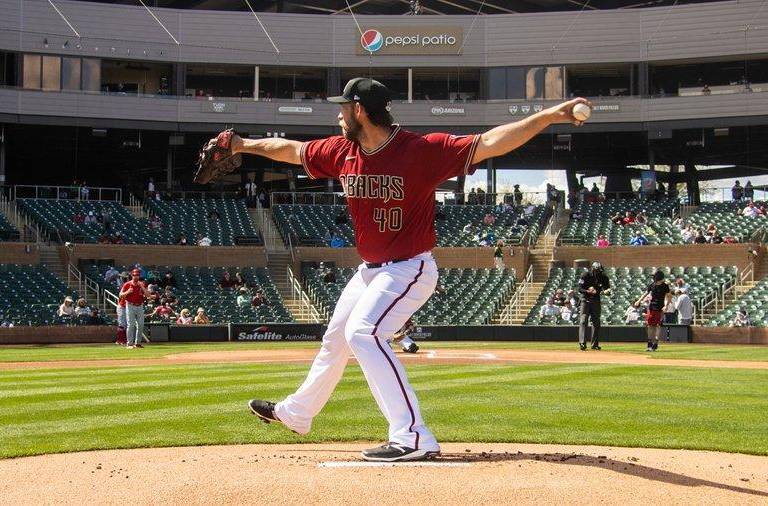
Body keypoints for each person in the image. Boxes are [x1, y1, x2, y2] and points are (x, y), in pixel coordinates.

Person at [217, 76, 590, 462]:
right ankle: (297, 413)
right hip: (370, 271)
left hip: (409, 267)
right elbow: (293, 150)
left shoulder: (420, 150)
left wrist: (548, 116)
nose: (338, 115)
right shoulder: (343, 150)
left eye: (343, 108)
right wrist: (243, 144)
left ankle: (412, 436)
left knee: (364, 333)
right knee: (337, 339)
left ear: (359, 110)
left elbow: (490, 142)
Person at [635, 270, 670, 352]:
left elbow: (668, 297)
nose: (653, 278)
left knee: (658, 325)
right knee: (650, 325)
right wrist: (639, 300)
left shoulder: (665, 286)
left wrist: (666, 305)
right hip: (652, 308)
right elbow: (646, 293)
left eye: (654, 276)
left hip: (660, 308)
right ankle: (650, 343)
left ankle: (655, 343)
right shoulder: (652, 285)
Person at [578, 262, 610, 351]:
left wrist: (607, 291)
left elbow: (607, 288)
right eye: (597, 270)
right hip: (585, 300)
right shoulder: (585, 275)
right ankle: (582, 343)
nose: (598, 272)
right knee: (583, 321)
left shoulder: (604, 277)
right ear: (593, 269)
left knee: (596, 322)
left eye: (599, 270)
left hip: (596, 300)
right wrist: (588, 291)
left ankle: (594, 344)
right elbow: (579, 288)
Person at [120, 269, 150, 349]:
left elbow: (148, 295)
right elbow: (120, 295)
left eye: (137, 275)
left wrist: (142, 287)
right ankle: (129, 344)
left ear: (139, 276)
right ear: (131, 275)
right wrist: (127, 292)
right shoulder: (127, 284)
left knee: (141, 324)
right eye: (134, 275)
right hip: (130, 305)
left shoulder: (141, 284)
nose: (136, 276)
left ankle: (138, 343)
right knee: (131, 324)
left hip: (140, 305)